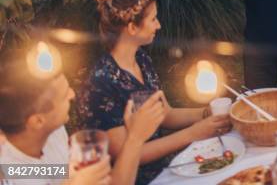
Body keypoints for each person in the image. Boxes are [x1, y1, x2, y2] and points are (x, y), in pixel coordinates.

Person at [77, 0, 232, 184]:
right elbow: (131, 153)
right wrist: (194, 133)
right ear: (132, 27)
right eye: (153, 19)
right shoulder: (101, 84)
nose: (158, 25)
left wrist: (206, 113)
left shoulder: (141, 59)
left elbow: (165, 114)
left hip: (164, 170)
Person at [0, 59, 164, 185]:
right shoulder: (10, 175)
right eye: (64, 95)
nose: (72, 94)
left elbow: (43, 172)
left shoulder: (51, 134)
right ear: (37, 121)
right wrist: (135, 138)